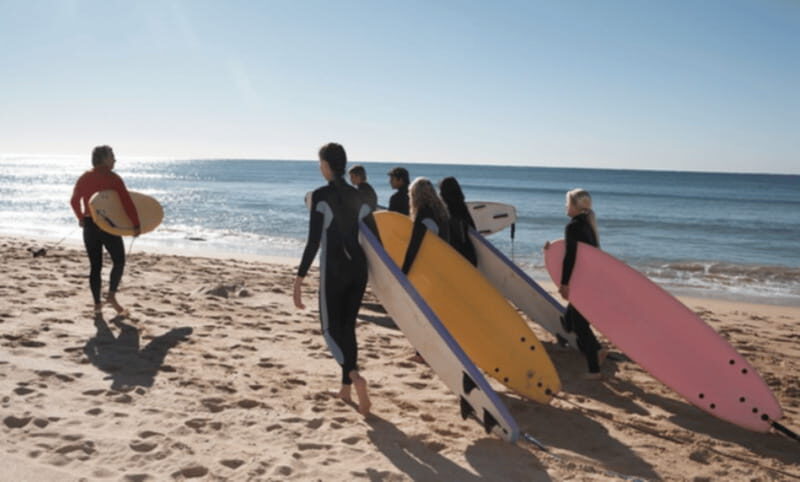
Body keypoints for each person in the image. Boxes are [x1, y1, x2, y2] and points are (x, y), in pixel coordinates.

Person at [293, 142, 377, 416]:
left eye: (320, 163)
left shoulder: (320, 196)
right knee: (348, 327)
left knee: (330, 330)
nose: (320, 168)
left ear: (327, 166)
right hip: (359, 270)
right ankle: (345, 389)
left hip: (335, 271)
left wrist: (299, 278)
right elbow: (375, 239)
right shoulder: (359, 197)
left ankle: (354, 376)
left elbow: (314, 241)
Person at [70, 145, 140, 316]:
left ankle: (97, 305)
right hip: (108, 226)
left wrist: (80, 217)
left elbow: (74, 201)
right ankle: (111, 296)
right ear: (103, 159)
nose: (115, 159)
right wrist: (135, 225)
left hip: (89, 225)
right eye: (112, 156)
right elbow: (126, 203)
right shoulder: (113, 178)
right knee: (119, 261)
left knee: (95, 266)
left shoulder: (84, 177)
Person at [552, 188, 606, 379]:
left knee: (580, 326)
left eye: (567, 203)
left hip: (582, 284)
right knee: (569, 322)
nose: (565, 206)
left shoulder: (573, 226)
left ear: (575, 206)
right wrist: (550, 251)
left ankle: (594, 368)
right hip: (589, 281)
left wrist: (564, 283)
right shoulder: (588, 226)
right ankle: (597, 350)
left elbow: (571, 257)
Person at [401, 177, 450, 275]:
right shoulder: (441, 211)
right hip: (443, 258)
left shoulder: (423, 213)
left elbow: (415, 244)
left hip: (431, 262)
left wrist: (404, 271)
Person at [438, 176, 477, 266]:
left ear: (444, 193)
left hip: (456, 257)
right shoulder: (462, 208)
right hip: (469, 254)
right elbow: (473, 230)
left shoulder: (446, 213)